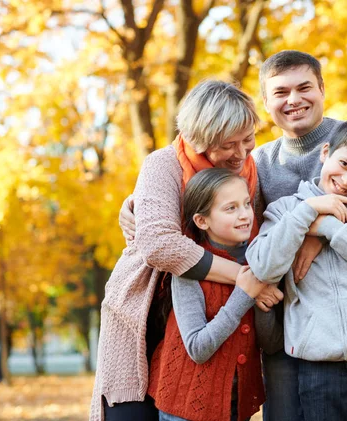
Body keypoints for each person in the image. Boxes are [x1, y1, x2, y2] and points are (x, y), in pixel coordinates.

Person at [119, 50, 347, 421]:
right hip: (284, 321)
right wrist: (136, 204)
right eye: (280, 92)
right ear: (266, 101)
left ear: (322, 89)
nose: (294, 100)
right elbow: (235, 223)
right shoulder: (257, 162)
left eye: (305, 87)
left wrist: (320, 229)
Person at [90, 80, 283, 421]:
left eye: (248, 140)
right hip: (146, 316)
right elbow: (159, 244)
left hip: (214, 322)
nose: (240, 154)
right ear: (199, 139)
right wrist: (246, 280)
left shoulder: (253, 172)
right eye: (228, 145)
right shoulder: (164, 165)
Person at [246, 115, 347, 420]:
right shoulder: (285, 210)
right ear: (325, 153)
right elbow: (263, 268)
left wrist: (331, 229)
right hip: (318, 363)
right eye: (345, 164)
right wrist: (307, 214)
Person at [149, 168, 266, 421]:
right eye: (230, 208)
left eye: (246, 204)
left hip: (234, 403)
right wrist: (244, 295)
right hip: (186, 406)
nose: (245, 214)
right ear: (202, 220)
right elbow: (197, 348)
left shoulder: (258, 257)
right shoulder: (189, 268)